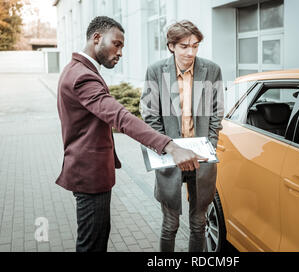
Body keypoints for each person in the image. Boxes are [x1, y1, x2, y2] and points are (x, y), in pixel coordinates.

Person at [56, 16, 206, 252]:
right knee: (92, 246)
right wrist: (171, 146)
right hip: (89, 175)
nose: (120, 52)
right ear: (97, 38)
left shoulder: (78, 69)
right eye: (117, 44)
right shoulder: (82, 76)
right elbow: (121, 117)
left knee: (96, 241)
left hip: (89, 173)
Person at [140, 20, 224, 252]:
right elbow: (150, 115)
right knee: (170, 224)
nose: (190, 52)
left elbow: (217, 112)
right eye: (184, 46)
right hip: (170, 156)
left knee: (199, 223)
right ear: (171, 46)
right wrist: (166, 147)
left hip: (201, 157)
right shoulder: (156, 71)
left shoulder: (211, 70)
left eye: (195, 46)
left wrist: (211, 145)